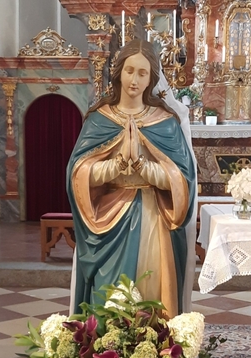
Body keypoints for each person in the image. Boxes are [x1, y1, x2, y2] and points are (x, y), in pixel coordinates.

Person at [66, 39, 197, 318]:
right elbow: (78, 173)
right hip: (108, 220)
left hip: (154, 220)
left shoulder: (165, 122)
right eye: (129, 71)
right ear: (119, 72)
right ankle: (107, 344)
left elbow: (181, 181)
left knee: (150, 292)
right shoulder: (99, 120)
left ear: (152, 79)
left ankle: (153, 345)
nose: (134, 80)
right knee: (108, 295)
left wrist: (142, 166)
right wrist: (116, 166)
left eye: (142, 73)